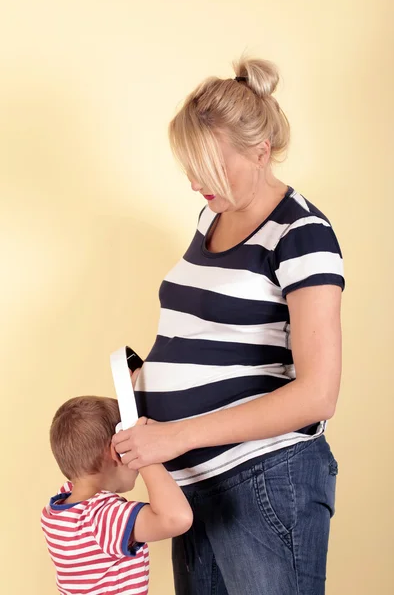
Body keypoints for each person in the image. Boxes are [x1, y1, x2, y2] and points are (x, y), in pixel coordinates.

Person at [113, 57, 345, 595]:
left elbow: (318, 395)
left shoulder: (300, 234)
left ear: (261, 153)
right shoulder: (211, 217)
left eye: (211, 169)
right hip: (193, 487)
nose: (196, 183)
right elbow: (213, 338)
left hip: (262, 481)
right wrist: (145, 387)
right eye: (189, 167)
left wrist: (175, 433)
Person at [41, 396, 193, 595]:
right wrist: (145, 456)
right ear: (117, 452)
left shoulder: (54, 514)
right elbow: (177, 519)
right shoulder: (101, 518)